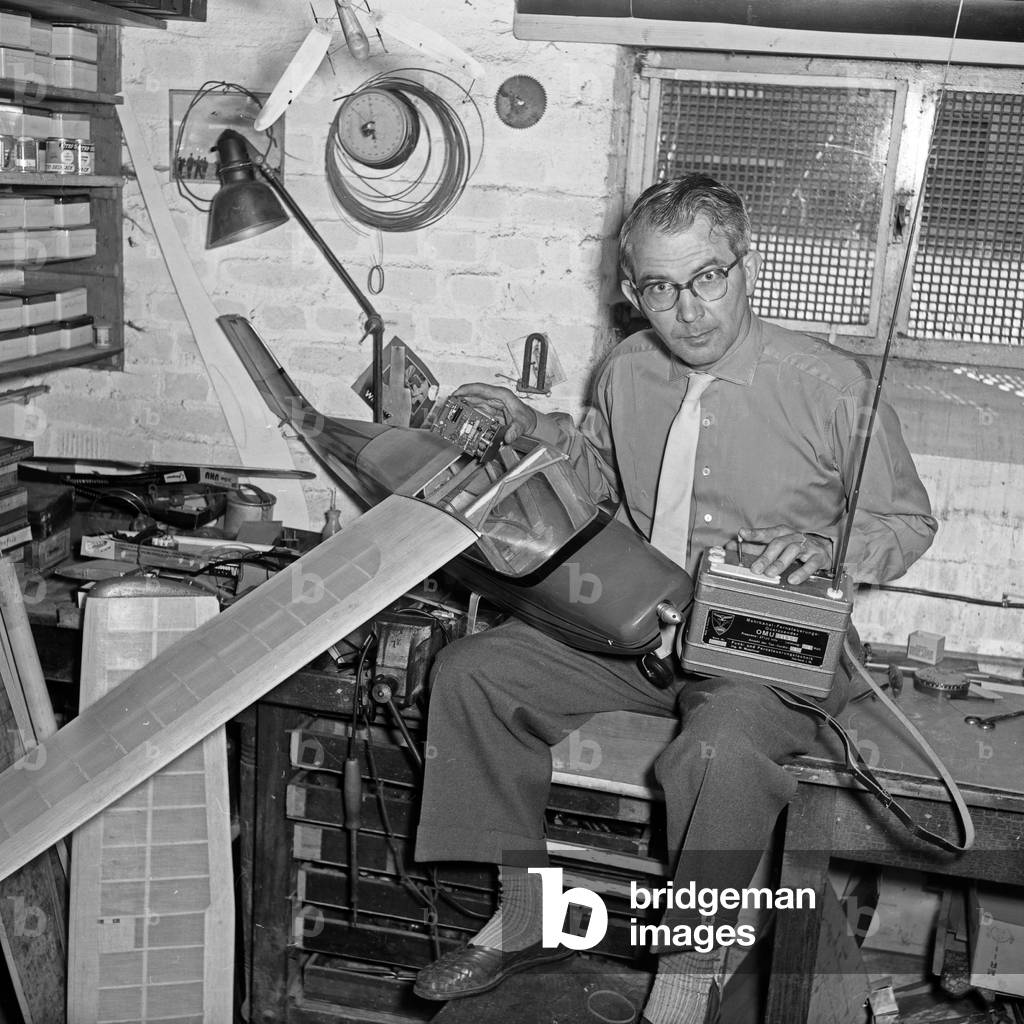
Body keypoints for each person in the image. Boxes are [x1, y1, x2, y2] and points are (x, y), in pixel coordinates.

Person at [412, 173, 937, 1023]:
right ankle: (528, 910)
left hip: (769, 644)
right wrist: (525, 424)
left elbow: (907, 520)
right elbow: (594, 476)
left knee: (719, 748)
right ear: (631, 291)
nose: (688, 311)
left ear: (745, 264)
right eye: (660, 288)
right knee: (473, 673)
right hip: (646, 630)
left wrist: (830, 550)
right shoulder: (627, 371)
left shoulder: (831, 386)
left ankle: (690, 971)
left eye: (708, 278)